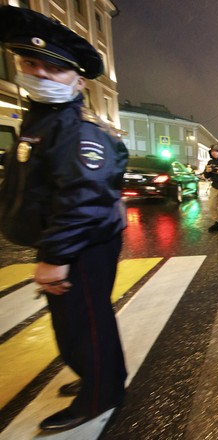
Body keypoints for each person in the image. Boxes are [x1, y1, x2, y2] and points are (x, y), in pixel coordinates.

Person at [0, 6, 128, 431]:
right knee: (76, 321)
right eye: (30, 63)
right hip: (72, 242)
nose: (39, 74)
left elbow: (84, 200)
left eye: (53, 68)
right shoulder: (45, 120)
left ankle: (101, 393)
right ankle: (99, 377)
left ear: (78, 79)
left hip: (82, 245)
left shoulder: (79, 131)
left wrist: (55, 255)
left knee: (84, 323)